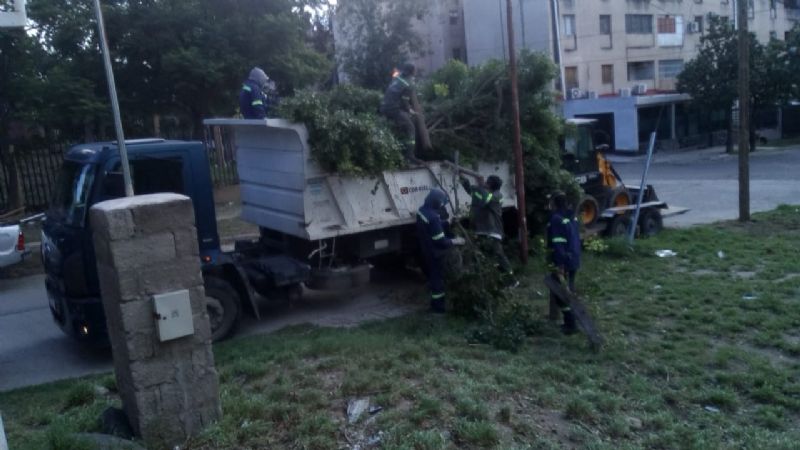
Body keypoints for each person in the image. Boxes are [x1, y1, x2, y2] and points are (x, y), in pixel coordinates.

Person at [460, 174, 516, 285]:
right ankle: (488, 282)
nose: (485, 182)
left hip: (492, 231)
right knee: (481, 257)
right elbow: (470, 190)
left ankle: (511, 281)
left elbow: (486, 199)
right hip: (480, 230)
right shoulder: (482, 192)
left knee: (498, 255)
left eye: (487, 182)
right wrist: (461, 177)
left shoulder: (497, 195)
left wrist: (480, 186)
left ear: (490, 184)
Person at [416, 188, 464, 313]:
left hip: (426, 250)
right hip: (436, 253)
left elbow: (431, 226)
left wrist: (446, 222)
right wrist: (456, 241)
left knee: (433, 276)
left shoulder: (422, 211)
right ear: (436, 202)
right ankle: (438, 308)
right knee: (437, 279)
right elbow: (441, 242)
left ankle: (435, 305)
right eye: (441, 202)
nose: (442, 205)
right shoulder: (434, 217)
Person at [546, 191, 582, 334]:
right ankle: (572, 322)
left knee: (560, 293)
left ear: (554, 204)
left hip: (563, 261)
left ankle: (571, 323)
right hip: (574, 259)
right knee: (569, 290)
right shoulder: (572, 217)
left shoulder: (556, 219)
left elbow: (558, 242)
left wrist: (560, 264)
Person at [380, 63, 418, 161]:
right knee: (411, 128)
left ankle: (394, 147)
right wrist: (410, 110)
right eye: (415, 70)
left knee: (400, 124)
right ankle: (410, 155)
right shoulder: (409, 84)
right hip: (393, 109)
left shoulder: (397, 77)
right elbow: (405, 100)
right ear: (412, 72)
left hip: (383, 106)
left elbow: (395, 72)